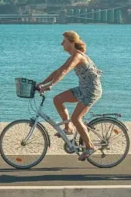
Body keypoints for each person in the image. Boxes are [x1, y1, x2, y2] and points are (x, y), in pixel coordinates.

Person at [35, 30, 103, 161]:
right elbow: (58, 70)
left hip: (92, 90)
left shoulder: (78, 56)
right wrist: (42, 83)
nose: (62, 44)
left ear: (72, 42)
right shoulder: (72, 56)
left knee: (76, 118)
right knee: (58, 99)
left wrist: (51, 85)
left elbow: (65, 71)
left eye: (64, 41)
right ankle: (68, 128)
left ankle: (90, 147)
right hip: (83, 88)